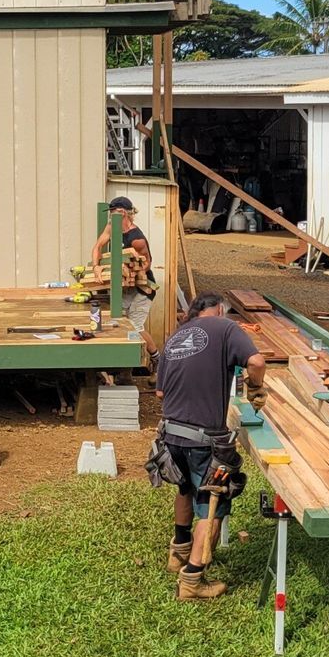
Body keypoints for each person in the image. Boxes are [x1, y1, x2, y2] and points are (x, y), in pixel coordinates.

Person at [148, 293, 266, 600]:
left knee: (185, 489)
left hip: (169, 436)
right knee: (212, 507)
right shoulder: (225, 327)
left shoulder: (175, 338)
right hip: (206, 443)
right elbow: (256, 362)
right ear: (218, 311)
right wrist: (255, 387)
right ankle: (192, 580)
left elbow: (160, 393)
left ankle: (178, 553)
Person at [90, 196, 155, 346]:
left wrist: (130, 271)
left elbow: (146, 264)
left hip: (142, 288)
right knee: (117, 321)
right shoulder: (111, 227)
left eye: (112, 212)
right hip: (125, 285)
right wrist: (96, 267)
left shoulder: (136, 239)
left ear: (122, 213)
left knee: (135, 327)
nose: (110, 216)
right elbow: (98, 247)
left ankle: (154, 357)